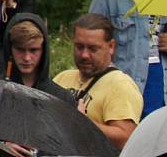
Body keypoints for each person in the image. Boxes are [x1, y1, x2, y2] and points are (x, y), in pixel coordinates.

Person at [54, 13, 143, 149]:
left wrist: (83, 123)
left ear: (111, 46)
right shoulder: (62, 78)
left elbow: (126, 138)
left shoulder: (120, 85)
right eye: (79, 47)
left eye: (93, 48)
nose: (84, 55)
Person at [2, 13, 74, 103]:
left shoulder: (61, 98)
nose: (27, 58)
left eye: (33, 50)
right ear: (10, 49)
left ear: (43, 50)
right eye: (20, 50)